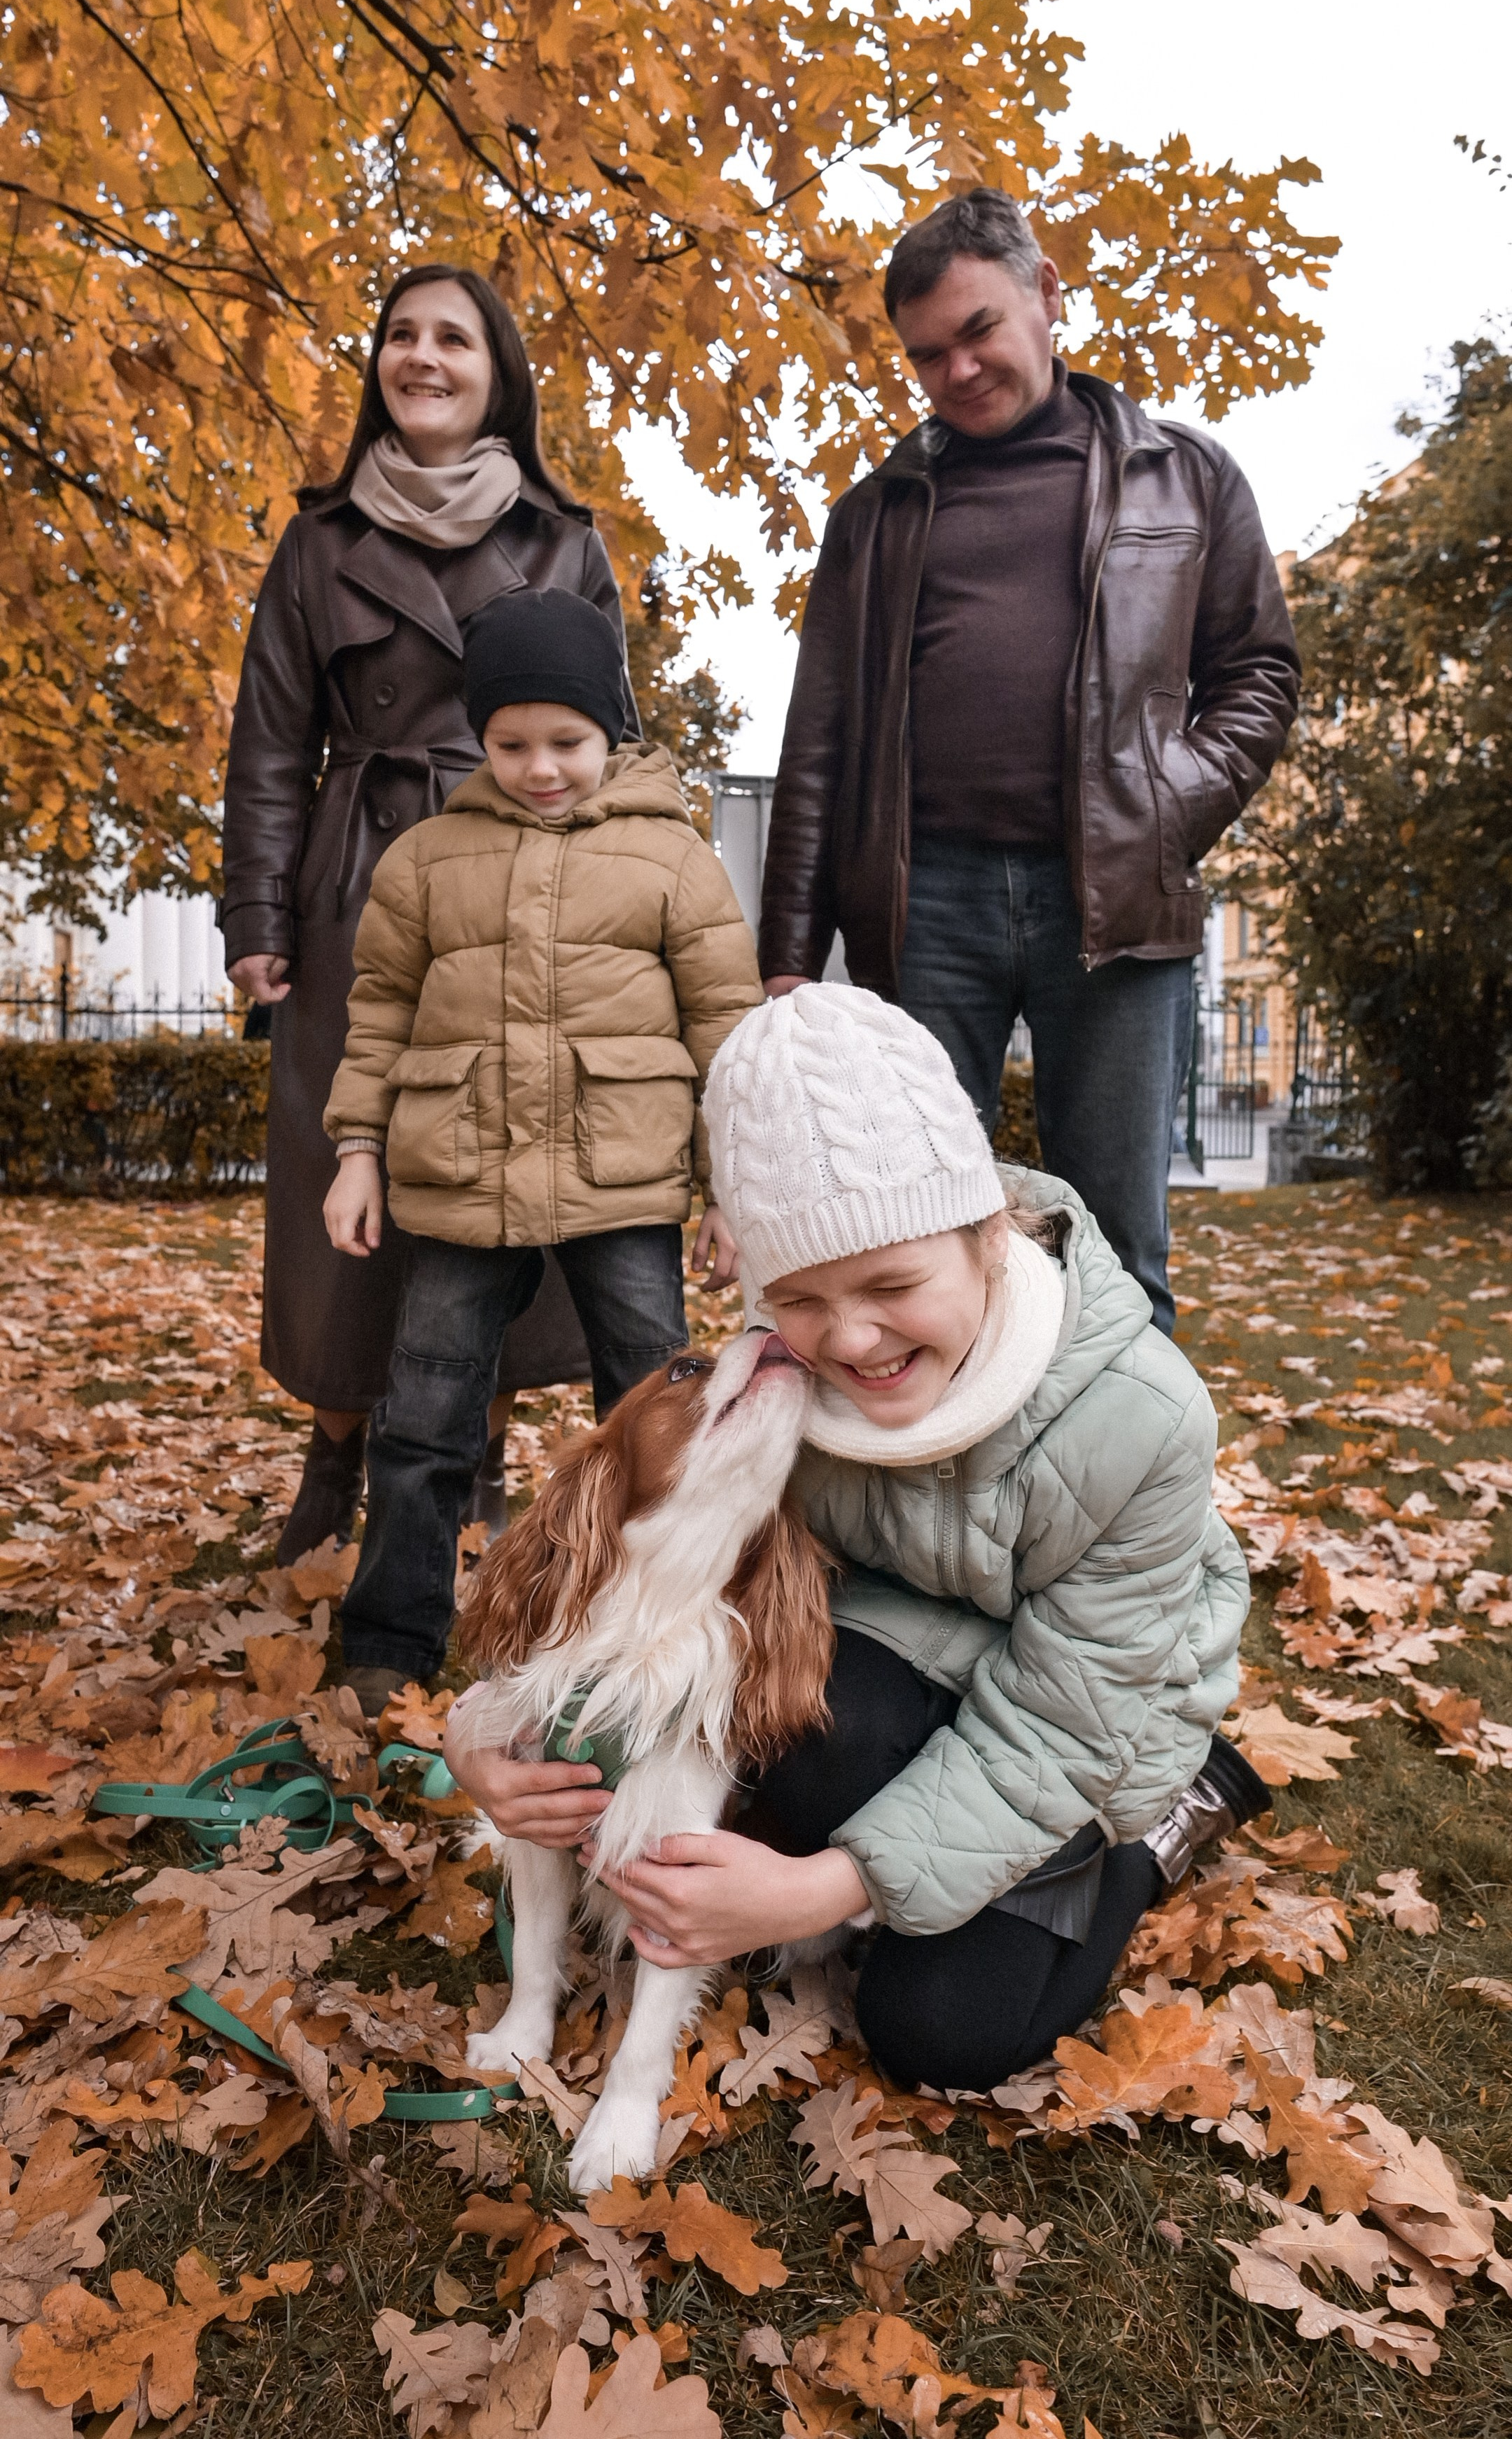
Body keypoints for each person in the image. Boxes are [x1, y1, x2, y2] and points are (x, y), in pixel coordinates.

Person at [448, 986, 1268, 2095]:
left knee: (945, 2036)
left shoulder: (1146, 1418)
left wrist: (820, 1891)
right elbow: (633, 1583)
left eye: (893, 1286)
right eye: (800, 1298)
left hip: (1090, 1724)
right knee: (815, 1721)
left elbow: (1059, 1728)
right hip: (902, 1665)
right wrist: (478, 1738)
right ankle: (886, 1838)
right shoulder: (779, 1380)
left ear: (991, 1233)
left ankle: (1168, 1824)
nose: (852, 1339)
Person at [759, 186, 1301, 1334]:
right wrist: (790, 959)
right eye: (926, 355)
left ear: (1048, 294)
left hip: (1112, 900)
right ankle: (954, 1495)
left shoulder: (1187, 479)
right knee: (923, 1237)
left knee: (1112, 1248)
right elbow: (819, 744)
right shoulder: (874, 518)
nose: (956, 370)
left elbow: (1258, 675)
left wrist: (1166, 809)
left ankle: (1129, 1515)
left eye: (978, 331)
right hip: (925, 907)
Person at [222, 265, 639, 1559]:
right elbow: (270, 747)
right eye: (400, 335)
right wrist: (257, 915)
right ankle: (336, 1440)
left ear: (495, 369)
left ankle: (479, 1446)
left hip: (524, 882)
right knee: (342, 1167)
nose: (423, 357)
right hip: (361, 885)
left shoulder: (564, 541)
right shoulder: (318, 543)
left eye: (451, 336)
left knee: (512, 1156)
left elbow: (611, 739)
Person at [320, 587, 762, 1714]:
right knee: (423, 1418)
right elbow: (379, 1012)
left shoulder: (672, 858)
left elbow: (730, 1032)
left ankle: (660, 1631)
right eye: (510, 742)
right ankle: (388, 1642)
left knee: (657, 1410)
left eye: (566, 740)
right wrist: (358, 1149)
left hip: (623, 1185)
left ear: (609, 726)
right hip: (461, 1185)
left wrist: (733, 1189)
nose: (540, 766)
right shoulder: (427, 860)